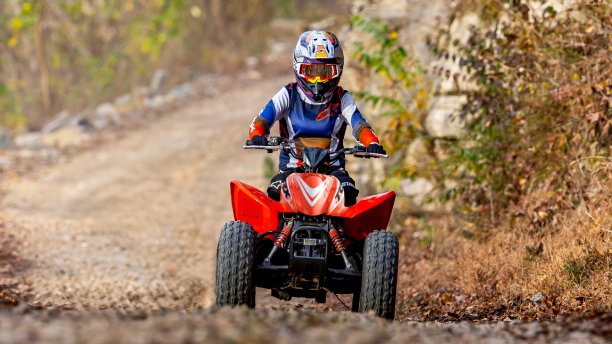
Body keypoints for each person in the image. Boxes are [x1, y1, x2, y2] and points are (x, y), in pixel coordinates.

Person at [248, 30, 385, 206]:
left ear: (338, 71)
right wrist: (257, 136)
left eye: (326, 72)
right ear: (298, 68)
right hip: (292, 169)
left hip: (333, 171)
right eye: (311, 71)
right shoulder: (288, 94)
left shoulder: (342, 98)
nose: (318, 80)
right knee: (275, 193)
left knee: (349, 194)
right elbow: (262, 120)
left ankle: (349, 234)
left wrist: (372, 142)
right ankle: (275, 234)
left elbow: (359, 124)